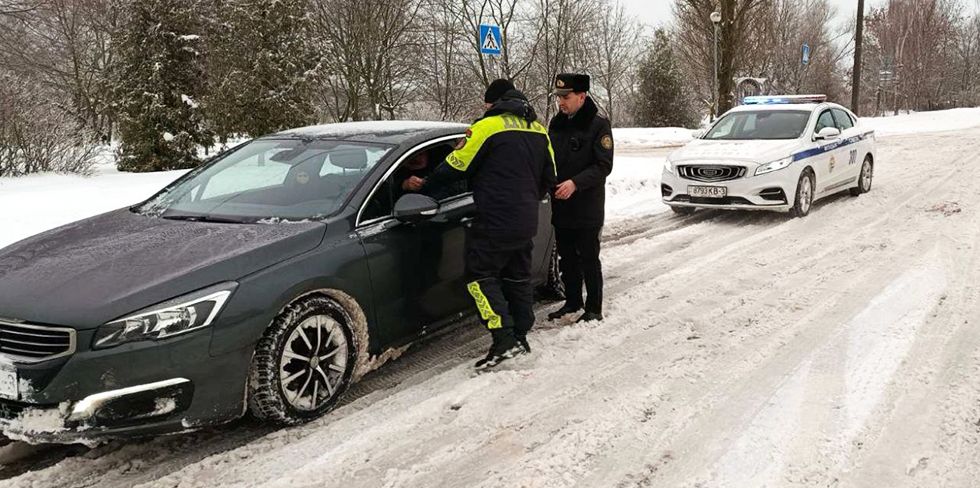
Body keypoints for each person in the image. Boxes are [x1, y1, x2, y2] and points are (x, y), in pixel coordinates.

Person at [423, 79, 556, 370]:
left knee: (478, 277)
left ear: (493, 102)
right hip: (526, 218)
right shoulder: (538, 130)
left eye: (486, 103)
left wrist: (424, 187)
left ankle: (504, 338)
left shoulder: (486, 127)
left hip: (495, 219)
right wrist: (524, 198)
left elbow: (455, 164)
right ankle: (520, 336)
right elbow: (550, 177)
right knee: (517, 277)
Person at [547, 73, 613, 323]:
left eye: (566, 97)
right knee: (567, 258)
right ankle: (572, 301)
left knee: (588, 258)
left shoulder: (598, 125)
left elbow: (603, 165)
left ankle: (593, 308)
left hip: (587, 205)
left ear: (582, 96)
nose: (561, 102)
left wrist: (575, 183)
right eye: (559, 97)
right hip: (562, 204)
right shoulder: (557, 123)